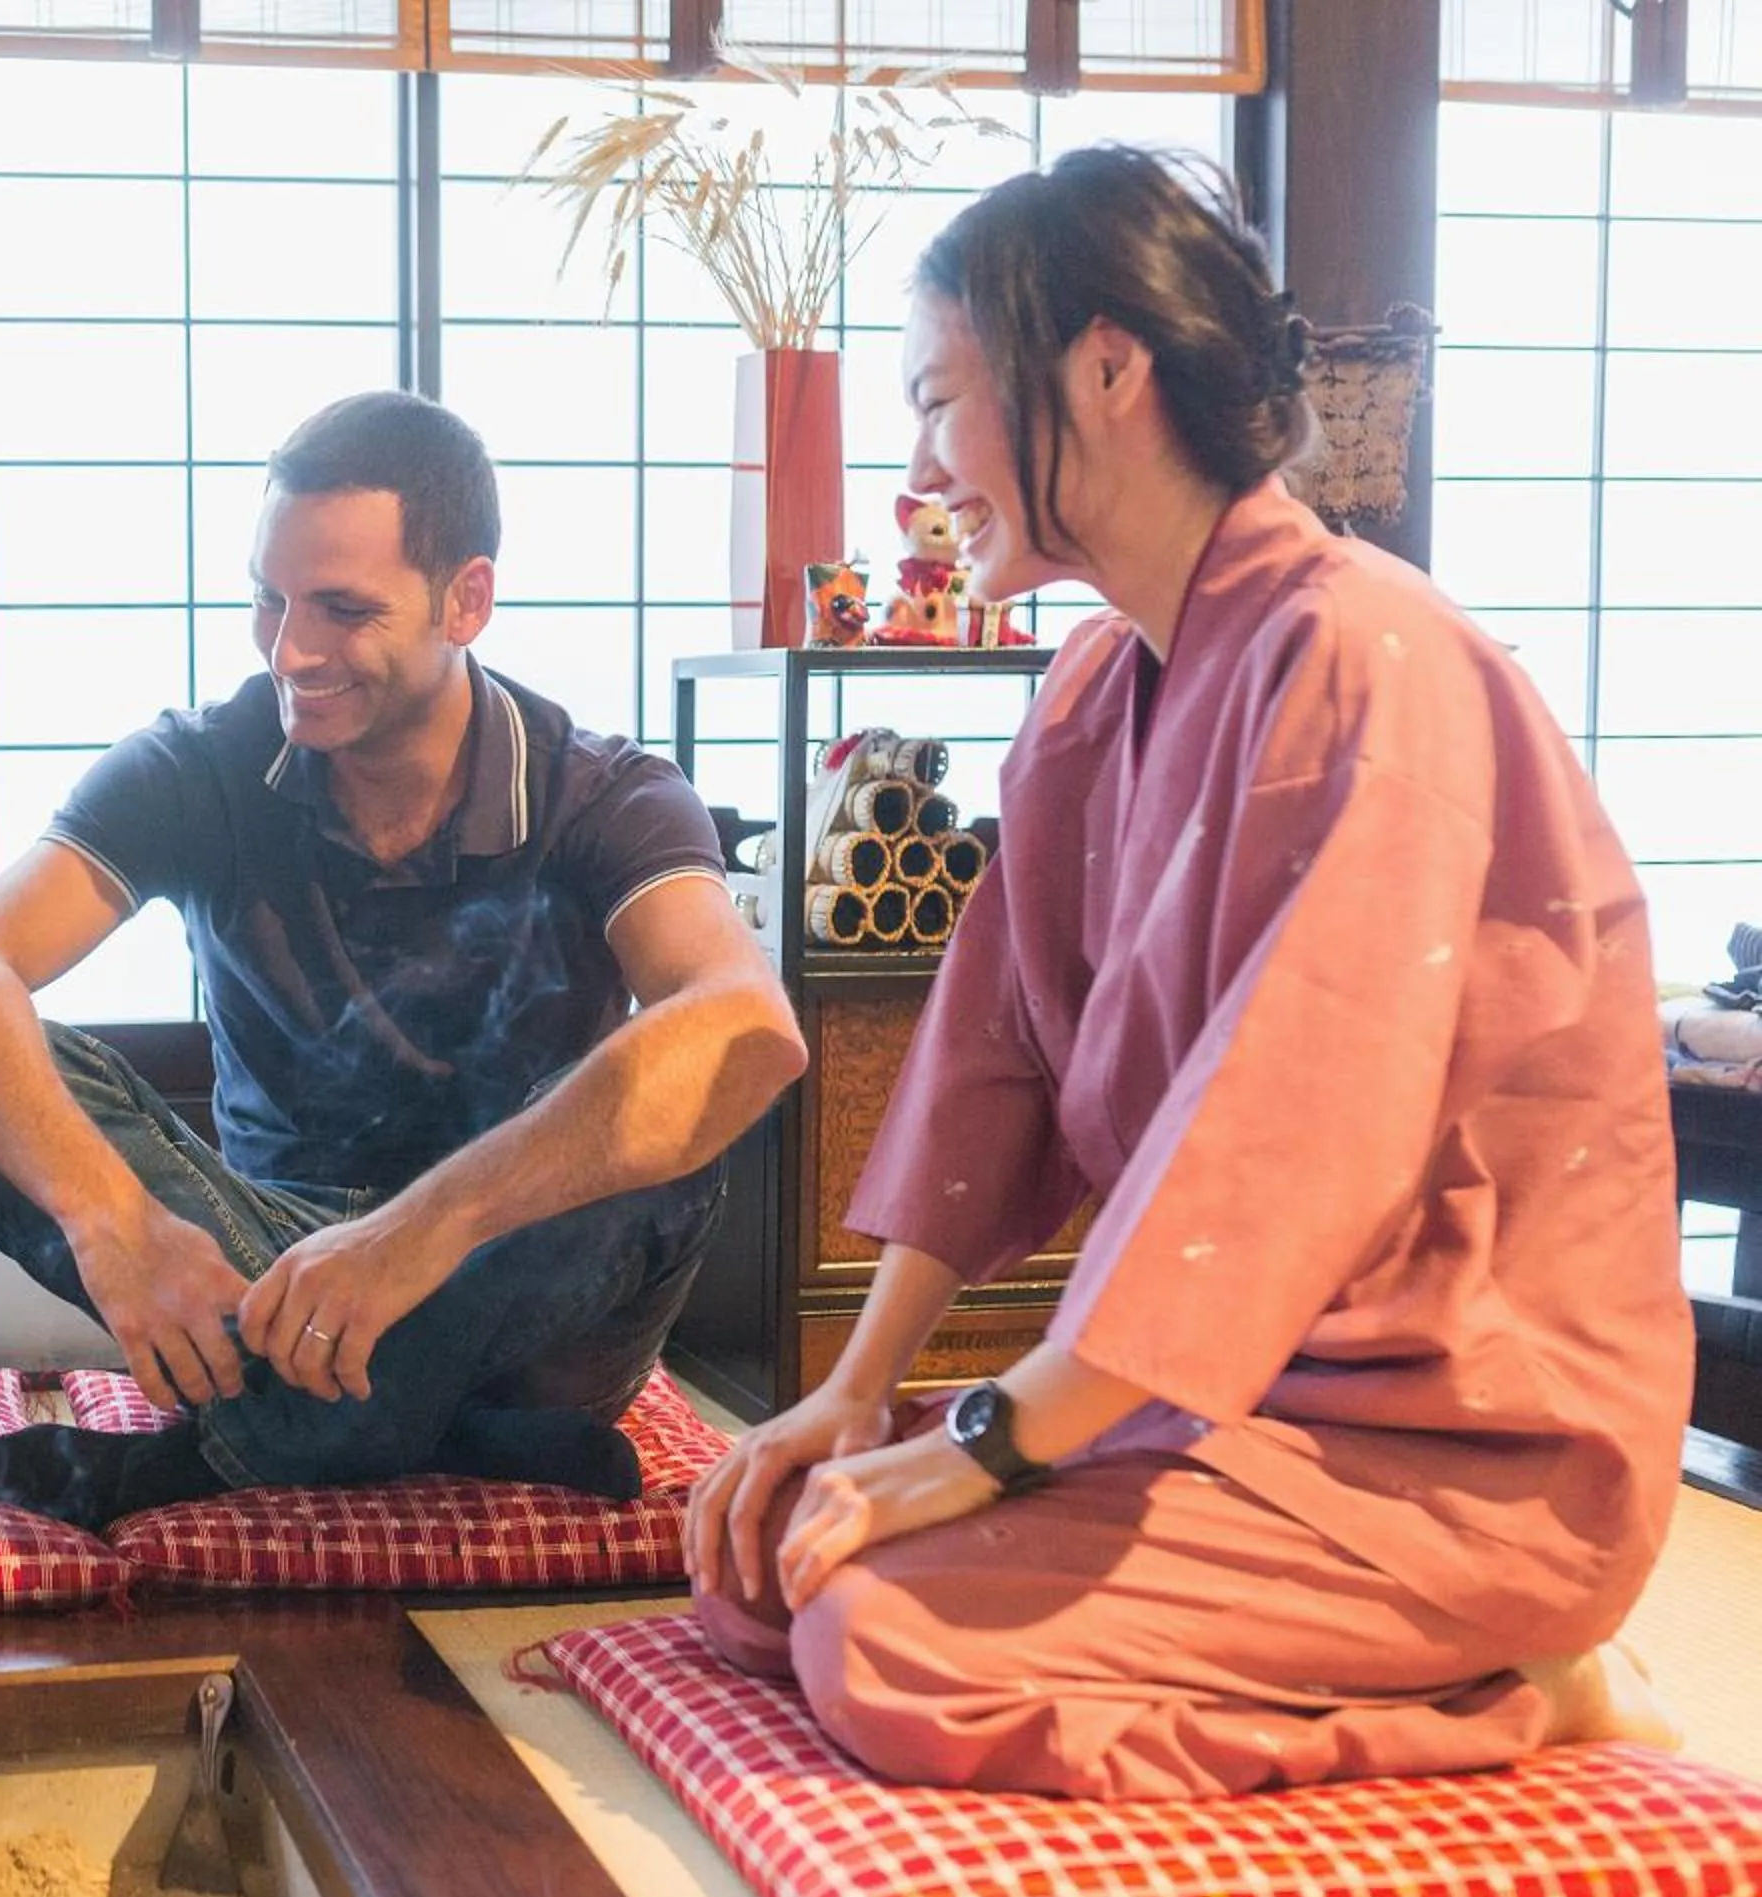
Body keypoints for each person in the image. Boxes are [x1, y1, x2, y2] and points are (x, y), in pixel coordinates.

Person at [685, 146, 1692, 1799]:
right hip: (1226, 1413)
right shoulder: (1094, 692)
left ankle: (1521, 1694)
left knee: (883, 1644)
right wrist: (858, 1402)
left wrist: (996, 1440)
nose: (921, 464)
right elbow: (990, 1067)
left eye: (939, 401)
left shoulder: (1378, 660)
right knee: (764, 1562)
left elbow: (1294, 1130)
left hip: (1456, 1451)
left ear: (1105, 364)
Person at [0, 391, 804, 1531]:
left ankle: (212, 1462)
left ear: (466, 598)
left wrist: (412, 1237)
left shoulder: (600, 789)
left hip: (515, 1289)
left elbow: (750, 1027)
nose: (291, 651)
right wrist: (114, 1224)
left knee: (676, 1125)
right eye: (268, 600)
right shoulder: (206, 762)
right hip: (273, 1264)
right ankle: (429, 1437)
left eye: (341, 609)